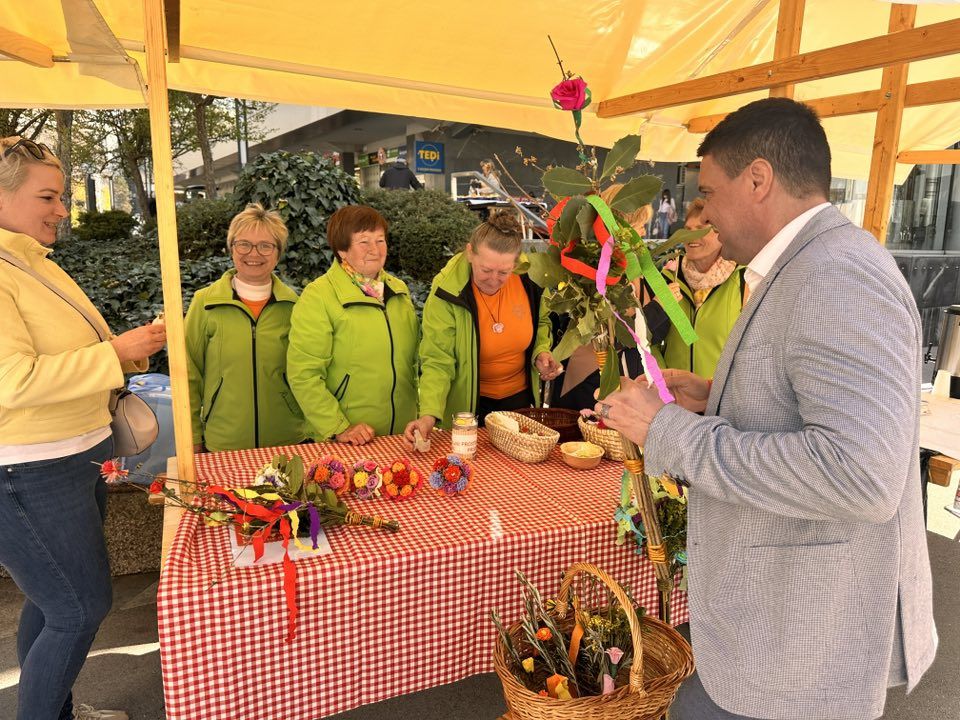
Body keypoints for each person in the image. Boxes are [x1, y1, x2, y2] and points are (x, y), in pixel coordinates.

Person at [596, 98, 936, 720]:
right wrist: (713, 396)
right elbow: (805, 413)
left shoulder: (836, 274)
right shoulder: (809, 264)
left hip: (798, 645)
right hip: (774, 629)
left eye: (710, 192)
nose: (703, 218)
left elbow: (858, 475)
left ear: (758, 179)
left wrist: (667, 430)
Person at [0, 136, 166, 720]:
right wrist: (117, 351)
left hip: (73, 456)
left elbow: (82, 349)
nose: (63, 210)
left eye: (63, 196)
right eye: (48, 196)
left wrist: (130, 351)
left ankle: (58, 710)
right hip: (29, 469)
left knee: (53, 605)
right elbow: (11, 381)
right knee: (78, 608)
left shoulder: (31, 263)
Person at [403, 211, 562, 443]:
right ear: (470, 253)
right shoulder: (447, 290)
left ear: (515, 264)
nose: (493, 279)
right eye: (486, 270)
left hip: (519, 402)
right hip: (469, 408)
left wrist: (541, 351)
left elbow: (543, 322)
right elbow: (438, 359)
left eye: (503, 272)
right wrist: (428, 416)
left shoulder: (531, 279)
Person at [288, 205, 418, 444]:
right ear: (342, 250)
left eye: (380, 240)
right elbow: (303, 375)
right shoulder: (319, 296)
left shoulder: (398, 291)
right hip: (348, 441)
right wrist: (339, 427)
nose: (375, 250)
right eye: (364, 242)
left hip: (402, 435)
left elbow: (413, 362)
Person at [184, 203, 305, 452]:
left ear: (278, 253)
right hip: (224, 441)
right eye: (244, 244)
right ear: (232, 248)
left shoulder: (295, 306)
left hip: (288, 440)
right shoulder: (205, 303)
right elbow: (188, 374)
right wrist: (193, 435)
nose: (254, 253)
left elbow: (309, 373)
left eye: (265, 246)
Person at [646, 197, 746, 379]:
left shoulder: (743, 281)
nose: (690, 237)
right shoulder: (668, 281)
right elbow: (648, 340)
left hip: (718, 399)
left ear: (721, 233)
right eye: (688, 230)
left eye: (700, 230)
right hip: (673, 396)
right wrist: (664, 381)